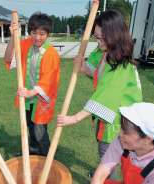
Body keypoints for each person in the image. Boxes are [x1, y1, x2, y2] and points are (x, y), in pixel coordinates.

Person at [57, 10, 142, 160]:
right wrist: (83, 67)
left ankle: (106, 180)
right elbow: (99, 74)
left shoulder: (121, 64)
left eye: (102, 39)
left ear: (115, 36)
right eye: (96, 38)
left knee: (108, 155)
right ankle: (105, 175)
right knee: (105, 150)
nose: (98, 42)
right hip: (109, 116)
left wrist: (74, 118)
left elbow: (106, 96)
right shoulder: (107, 52)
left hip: (119, 122)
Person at [4, 12, 60, 156]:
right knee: (30, 126)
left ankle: (46, 158)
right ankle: (34, 151)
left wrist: (30, 92)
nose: (37, 37)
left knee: (39, 130)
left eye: (42, 34)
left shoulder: (51, 53)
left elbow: (48, 80)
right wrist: (12, 37)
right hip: (27, 98)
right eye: (34, 33)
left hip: (41, 99)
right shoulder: (24, 44)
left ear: (48, 34)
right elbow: (8, 58)